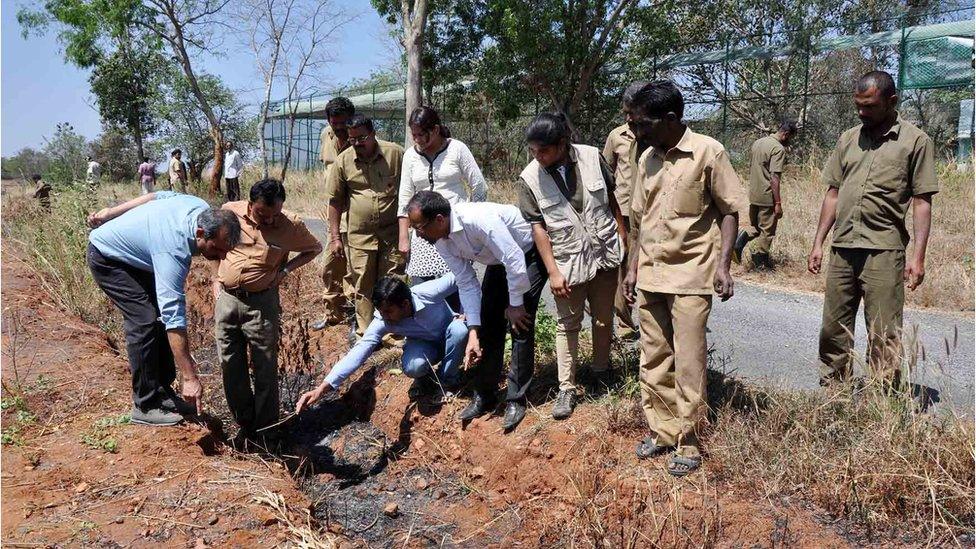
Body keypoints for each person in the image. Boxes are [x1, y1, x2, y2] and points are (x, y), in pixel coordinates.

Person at [621, 80, 744, 477]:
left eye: (641, 124)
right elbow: (638, 220)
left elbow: (729, 212)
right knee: (654, 357)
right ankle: (662, 431)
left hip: (692, 274)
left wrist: (724, 265)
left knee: (689, 361)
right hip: (652, 274)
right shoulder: (646, 159)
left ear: (670, 119)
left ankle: (689, 440)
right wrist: (631, 268)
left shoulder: (709, 152)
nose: (635, 132)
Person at [808, 70, 937, 388]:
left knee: (884, 332)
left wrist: (918, 257)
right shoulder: (848, 138)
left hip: (884, 248)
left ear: (891, 102)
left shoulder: (915, 141)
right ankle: (834, 393)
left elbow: (922, 201)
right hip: (843, 247)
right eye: (858, 106)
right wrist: (818, 243)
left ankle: (881, 401)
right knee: (833, 329)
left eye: (870, 106)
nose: (862, 113)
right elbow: (833, 193)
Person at [86, 192, 241, 426]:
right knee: (145, 320)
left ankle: (163, 392)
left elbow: (155, 196)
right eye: (216, 250)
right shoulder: (173, 250)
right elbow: (174, 318)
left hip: (140, 256)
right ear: (200, 234)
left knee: (156, 316)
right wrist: (189, 377)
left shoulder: (198, 207)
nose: (220, 257)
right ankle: (145, 405)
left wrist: (110, 212)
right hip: (108, 258)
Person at [406, 191, 546, 432]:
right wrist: (473, 330)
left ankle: (516, 399)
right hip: (498, 262)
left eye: (420, 227)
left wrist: (515, 305)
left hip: (526, 254)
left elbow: (513, 259)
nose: (418, 233)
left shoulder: (478, 219)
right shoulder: (440, 240)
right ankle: (485, 394)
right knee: (488, 322)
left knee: (519, 324)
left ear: (439, 219)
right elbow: (466, 282)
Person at [518, 112, 625, 420]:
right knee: (568, 324)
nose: (538, 157)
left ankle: (601, 372)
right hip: (567, 262)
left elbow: (612, 201)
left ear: (562, 143)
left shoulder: (593, 157)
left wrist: (623, 237)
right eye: (534, 151)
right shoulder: (529, 178)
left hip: (605, 255)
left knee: (604, 318)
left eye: (544, 150)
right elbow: (538, 228)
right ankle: (567, 387)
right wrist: (552, 271)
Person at [213, 179, 322, 449]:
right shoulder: (230, 211)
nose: (270, 220)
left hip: (261, 305)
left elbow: (314, 248)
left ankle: (268, 432)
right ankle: (245, 426)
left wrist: (284, 271)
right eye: (263, 214)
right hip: (226, 301)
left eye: (276, 214)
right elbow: (214, 241)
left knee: (264, 367)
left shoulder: (290, 225)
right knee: (230, 365)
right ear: (250, 205)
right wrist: (216, 278)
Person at [295, 274, 468, 413]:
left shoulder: (428, 292)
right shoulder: (382, 321)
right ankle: (425, 379)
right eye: (381, 311)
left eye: (388, 311)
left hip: (450, 335)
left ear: (405, 304)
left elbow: (463, 276)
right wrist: (323, 387)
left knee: (460, 330)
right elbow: (360, 351)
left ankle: (446, 382)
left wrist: (466, 311)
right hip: (424, 345)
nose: (385, 316)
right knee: (414, 367)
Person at [398, 106, 488, 310]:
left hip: (452, 231)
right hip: (422, 234)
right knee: (420, 288)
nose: (418, 140)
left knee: (456, 284)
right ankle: (426, 334)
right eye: (414, 135)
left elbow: (479, 186)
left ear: (436, 129)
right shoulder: (410, 156)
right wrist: (404, 236)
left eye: (422, 134)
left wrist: (470, 218)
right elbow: (404, 196)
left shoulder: (457, 149)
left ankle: (461, 332)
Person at [326, 115, 406, 338]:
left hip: (392, 235)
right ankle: (366, 333)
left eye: (362, 138)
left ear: (373, 133)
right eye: (352, 140)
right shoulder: (344, 161)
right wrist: (334, 238)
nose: (357, 144)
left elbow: (409, 193)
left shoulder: (396, 154)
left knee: (392, 283)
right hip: (360, 237)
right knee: (363, 285)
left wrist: (407, 234)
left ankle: (394, 333)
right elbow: (334, 201)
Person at [312, 97, 357, 330]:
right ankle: (333, 314)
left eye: (344, 123)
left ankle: (354, 318)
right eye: (334, 122)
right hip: (335, 215)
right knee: (329, 267)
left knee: (354, 270)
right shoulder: (325, 136)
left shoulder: (360, 138)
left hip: (356, 216)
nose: (339, 127)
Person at [602, 100, 643, 342]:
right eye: (626, 112)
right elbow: (606, 174)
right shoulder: (616, 136)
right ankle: (625, 322)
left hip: (651, 212)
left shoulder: (653, 136)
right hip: (625, 213)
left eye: (632, 111)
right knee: (625, 268)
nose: (628, 117)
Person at [733, 121, 798, 269]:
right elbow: (774, 178)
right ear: (786, 134)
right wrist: (778, 203)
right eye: (791, 137)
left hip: (754, 194)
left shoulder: (758, 142)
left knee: (756, 227)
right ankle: (759, 264)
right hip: (767, 196)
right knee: (767, 231)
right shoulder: (778, 149)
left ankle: (738, 242)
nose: (790, 141)